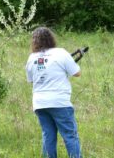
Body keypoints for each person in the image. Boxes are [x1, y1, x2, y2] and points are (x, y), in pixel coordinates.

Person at [25, 27, 82, 158]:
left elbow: (31, 80)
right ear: (51, 38)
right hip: (59, 102)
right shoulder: (61, 53)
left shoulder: (32, 57)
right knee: (70, 135)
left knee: (48, 136)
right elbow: (77, 73)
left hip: (40, 103)